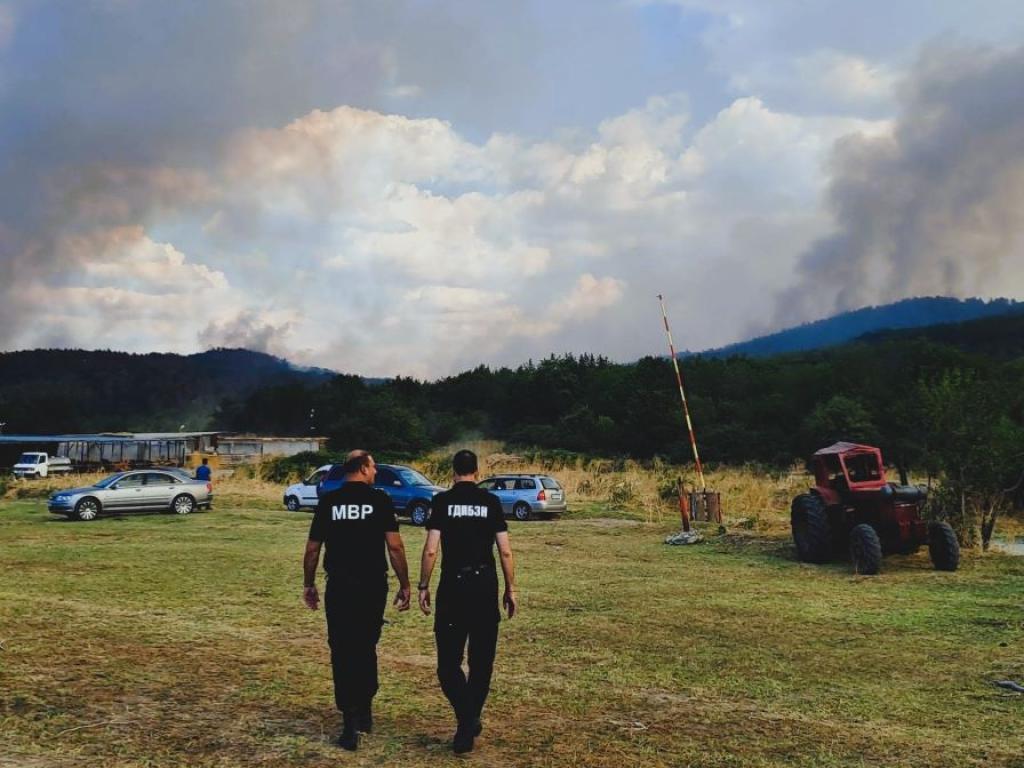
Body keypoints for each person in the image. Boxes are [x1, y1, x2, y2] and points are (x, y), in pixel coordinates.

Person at [303, 450, 411, 751]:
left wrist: (309, 584)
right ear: (363, 468)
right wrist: (405, 584)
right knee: (365, 646)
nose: (376, 471)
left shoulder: (329, 502)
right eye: (374, 467)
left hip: (340, 586)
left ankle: (349, 718)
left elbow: (313, 549)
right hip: (372, 586)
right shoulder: (380, 500)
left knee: (342, 648)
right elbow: (395, 547)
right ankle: (364, 707)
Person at [417, 449, 516, 754]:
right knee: (481, 661)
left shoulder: (442, 501)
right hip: (485, 584)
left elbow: (431, 550)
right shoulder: (491, 502)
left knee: (448, 664)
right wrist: (511, 588)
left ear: (453, 471)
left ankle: (465, 719)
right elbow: (505, 551)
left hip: (453, 587)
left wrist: (423, 585)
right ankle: (469, 719)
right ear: (477, 470)